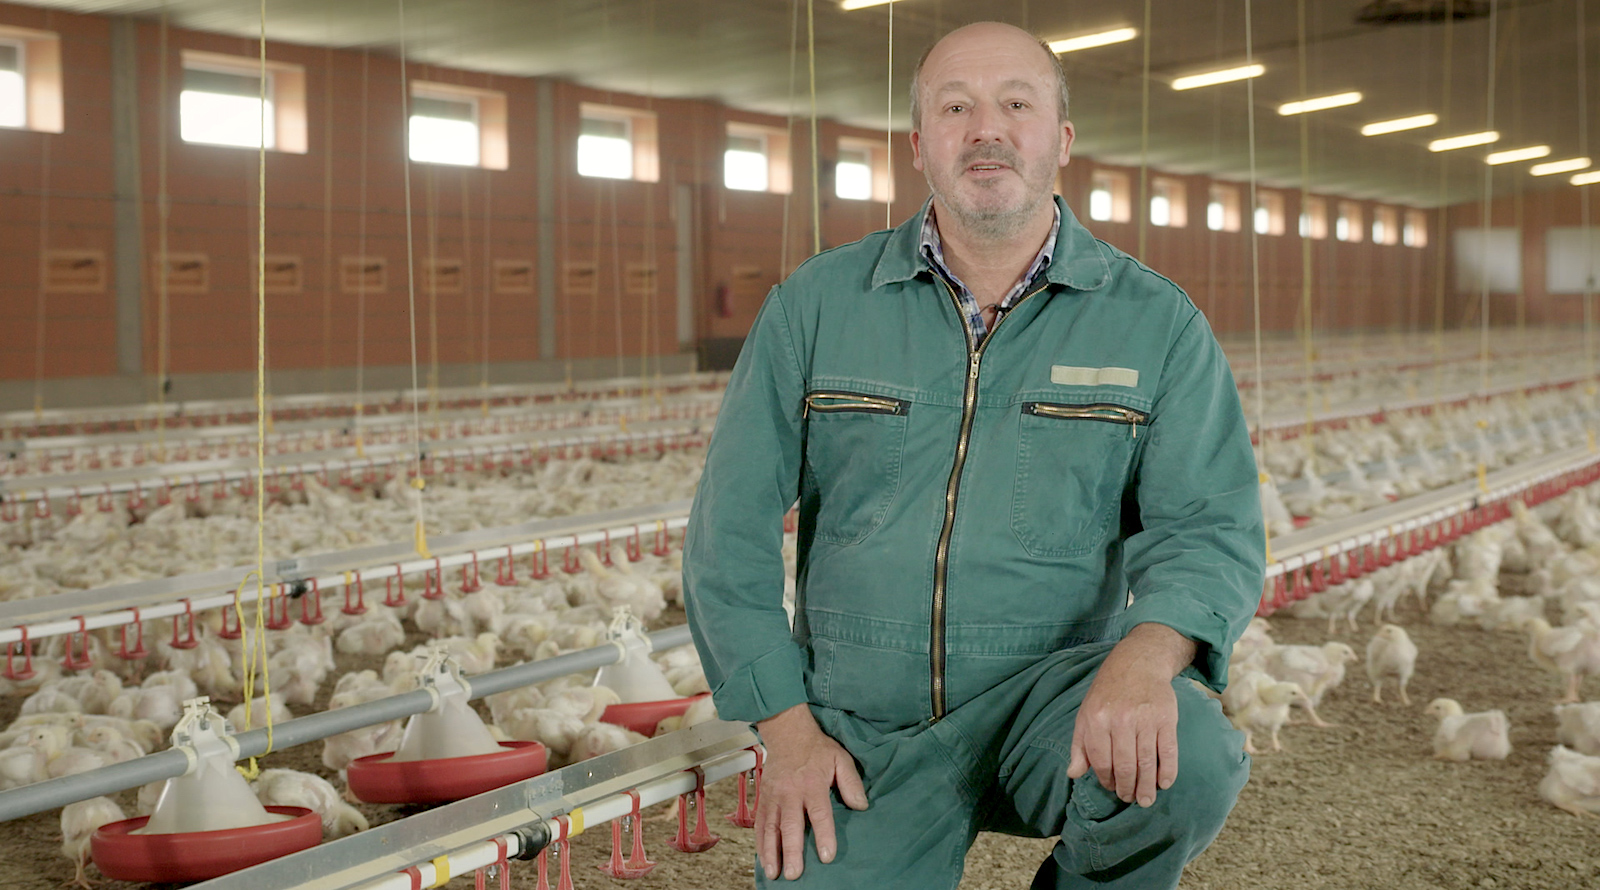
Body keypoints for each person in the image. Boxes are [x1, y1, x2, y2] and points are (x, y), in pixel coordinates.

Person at [683, 20, 1265, 890]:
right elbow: (724, 535)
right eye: (956, 106)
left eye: (1016, 104)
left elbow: (1211, 529)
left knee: (1193, 752)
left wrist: (1145, 663)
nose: (986, 128)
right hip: (860, 727)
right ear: (920, 145)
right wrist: (787, 729)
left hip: (1053, 703)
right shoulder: (817, 305)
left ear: (1060, 141)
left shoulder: (1154, 322)